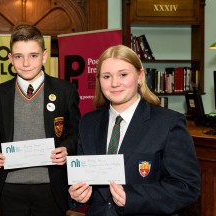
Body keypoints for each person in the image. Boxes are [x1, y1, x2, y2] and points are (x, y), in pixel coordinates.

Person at [68, 44, 201, 215]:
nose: (115, 83)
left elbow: (186, 187)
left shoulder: (169, 123)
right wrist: (76, 194)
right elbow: (83, 175)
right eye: (107, 76)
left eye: (123, 75)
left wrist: (133, 198)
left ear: (140, 76)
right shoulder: (87, 123)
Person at [0, 24, 81, 216]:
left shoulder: (64, 91)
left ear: (44, 56)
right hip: (9, 189)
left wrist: (67, 148)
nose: (26, 63)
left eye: (33, 56)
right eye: (19, 56)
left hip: (51, 188)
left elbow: (75, 132)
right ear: (10, 58)